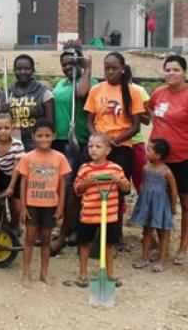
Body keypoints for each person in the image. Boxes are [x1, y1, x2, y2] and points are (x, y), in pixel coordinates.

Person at [147, 54, 188, 265]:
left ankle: (183, 248)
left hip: (187, 157)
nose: (171, 73)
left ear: (185, 72)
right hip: (160, 160)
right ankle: (163, 244)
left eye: (176, 70)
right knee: (161, 201)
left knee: (187, 201)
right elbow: (149, 108)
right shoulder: (159, 93)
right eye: (167, 70)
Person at [84, 52, 145, 247]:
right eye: (107, 68)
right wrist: (99, 140)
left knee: (116, 192)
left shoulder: (132, 92)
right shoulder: (96, 89)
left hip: (121, 148)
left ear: (122, 69)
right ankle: (91, 236)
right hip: (98, 147)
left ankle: (115, 237)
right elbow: (89, 122)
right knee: (92, 189)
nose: (110, 72)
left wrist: (115, 140)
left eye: (114, 68)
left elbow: (136, 126)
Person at [15, 119, 71, 288]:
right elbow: (23, 183)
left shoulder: (60, 158)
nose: (43, 139)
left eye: (47, 135)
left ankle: (44, 273)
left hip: (50, 205)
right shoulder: (27, 157)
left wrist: (61, 206)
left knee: (46, 240)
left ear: (54, 136)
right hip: (32, 204)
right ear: (33, 136)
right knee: (30, 239)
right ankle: (26, 274)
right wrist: (23, 207)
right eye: (39, 135)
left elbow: (62, 184)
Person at [50, 46, 96, 253]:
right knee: (62, 187)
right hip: (59, 140)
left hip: (79, 141)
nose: (68, 67)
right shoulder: (61, 83)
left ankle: (72, 229)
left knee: (73, 188)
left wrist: (87, 69)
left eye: (72, 63)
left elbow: (81, 94)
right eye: (65, 64)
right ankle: (64, 226)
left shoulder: (89, 83)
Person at [74, 133, 130, 288]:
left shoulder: (115, 168)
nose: (93, 150)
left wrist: (119, 182)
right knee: (85, 243)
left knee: (109, 244)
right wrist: (86, 182)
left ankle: (110, 272)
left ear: (108, 150)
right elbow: (77, 189)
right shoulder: (85, 169)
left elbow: (126, 188)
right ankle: (83, 272)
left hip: (109, 214)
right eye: (90, 146)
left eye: (98, 147)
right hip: (89, 214)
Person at [130, 139, 178, 272]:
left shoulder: (166, 172)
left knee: (164, 233)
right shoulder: (146, 168)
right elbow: (143, 185)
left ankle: (162, 261)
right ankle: (144, 258)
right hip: (147, 205)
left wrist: (173, 208)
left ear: (157, 155)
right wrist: (142, 202)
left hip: (161, 206)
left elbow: (173, 191)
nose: (146, 152)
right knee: (146, 231)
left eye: (149, 149)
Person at [2, 54, 54, 151]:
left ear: (33, 70)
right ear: (14, 71)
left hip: (36, 143)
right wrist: (3, 111)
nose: (22, 72)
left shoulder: (43, 92)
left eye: (27, 69)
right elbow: (0, 119)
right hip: (13, 144)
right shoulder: (7, 92)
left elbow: (50, 122)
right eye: (18, 69)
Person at [127, 66, 151, 194]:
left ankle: (145, 208)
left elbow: (147, 120)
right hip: (116, 142)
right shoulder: (110, 90)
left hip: (136, 141)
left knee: (140, 178)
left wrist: (132, 111)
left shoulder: (139, 91)